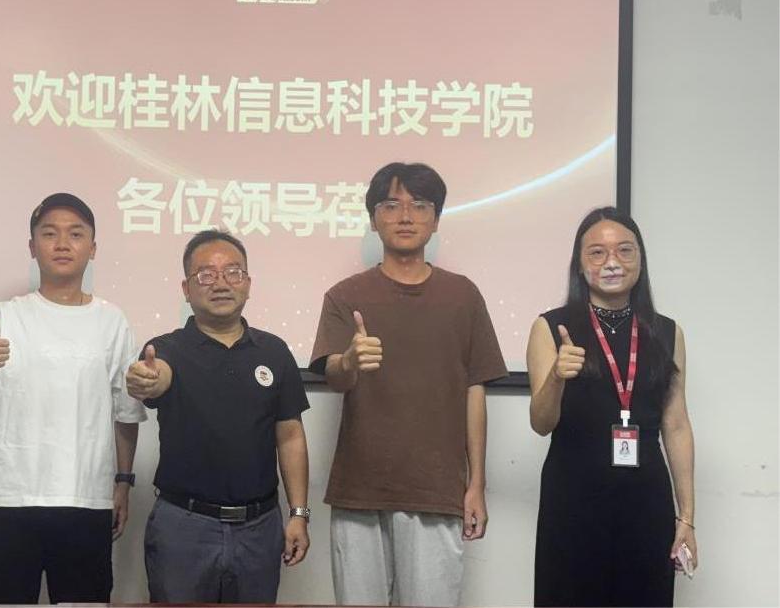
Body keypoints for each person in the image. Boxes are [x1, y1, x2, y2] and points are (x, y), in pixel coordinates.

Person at [310, 162, 508, 606]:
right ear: (373, 218)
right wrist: (349, 360)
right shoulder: (345, 295)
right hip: (360, 490)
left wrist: (476, 484)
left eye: (419, 205)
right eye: (390, 205)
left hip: (437, 489)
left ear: (436, 220)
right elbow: (335, 377)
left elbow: (475, 391)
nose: (405, 216)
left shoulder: (463, 295)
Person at [0, 193, 146, 604]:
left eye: (76, 234)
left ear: (93, 248)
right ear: (32, 246)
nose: (62, 244)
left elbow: (126, 412)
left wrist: (123, 482)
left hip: (86, 498)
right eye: (49, 233)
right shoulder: (4, 314)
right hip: (12, 496)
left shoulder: (111, 320)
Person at [125, 229, 311, 603]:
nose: (221, 283)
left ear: (248, 284)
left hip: (259, 527)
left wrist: (298, 513)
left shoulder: (274, 351)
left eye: (233, 272)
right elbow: (157, 375)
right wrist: (147, 379)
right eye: (206, 274)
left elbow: (290, 435)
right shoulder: (166, 349)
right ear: (186, 288)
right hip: (183, 528)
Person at [527, 206, 697, 607]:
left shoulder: (667, 332)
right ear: (579, 263)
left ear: (640, 258)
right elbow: (541, 422)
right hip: (572, 498)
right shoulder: (551, 327)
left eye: (624, 250)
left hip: (646, 501)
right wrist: (556, 376)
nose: (612, 262)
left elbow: (676, 425)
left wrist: (687, 517)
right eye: (597, 252)